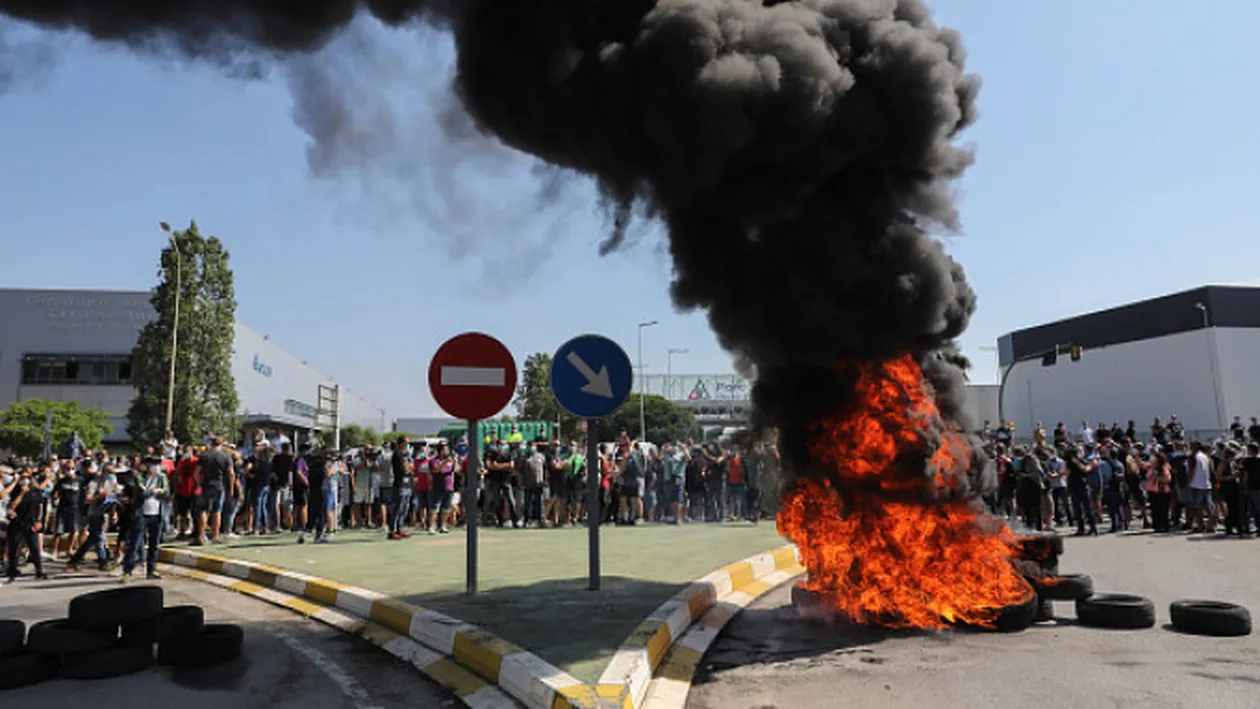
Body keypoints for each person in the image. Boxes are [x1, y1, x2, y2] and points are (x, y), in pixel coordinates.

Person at [121, 456, 169, 582]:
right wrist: (154, 491)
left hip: (157, 513)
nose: (156, 466)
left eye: (157, 464)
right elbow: (142, 492)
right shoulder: (140, 477)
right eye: (153, 464)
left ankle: (151, 570)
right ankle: (127, 570)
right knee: (134, 542)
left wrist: (156, 492)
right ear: (147, 465)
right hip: (141, 514)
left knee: (154, 543)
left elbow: (166, 492)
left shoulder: (161, 477)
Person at [5, 472, 47, 583]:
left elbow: (40, 507)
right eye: (22, 477)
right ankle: (12, 570)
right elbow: (12, 506)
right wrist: (22, 493)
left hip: (31, 523)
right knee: (14, 548)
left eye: (27, 477)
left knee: (35, 548)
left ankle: (39, 570)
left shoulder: (36, 491)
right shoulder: (15, 491)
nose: (25, 480)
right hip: (17, 522)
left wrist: (39, 521)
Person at [195, 436, 233, 546]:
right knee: (217, 511)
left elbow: (196, 472)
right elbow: (231, 473)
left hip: (206, 484)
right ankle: (215, 536)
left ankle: (201, 536)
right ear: (221, 444)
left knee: (203, 510)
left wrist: (199, 483)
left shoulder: (204, 455)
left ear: (211, 443)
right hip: (219, 485)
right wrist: (230, 488)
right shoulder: (226, 456)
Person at [389, 437, 414, 540]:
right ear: (401, 443)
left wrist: (409, 466)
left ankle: (400, 528)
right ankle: (392, 530)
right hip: (400, 484)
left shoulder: (406, 455)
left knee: (405, 508)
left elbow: (412, 467)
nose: (408, 445)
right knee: (398, 508)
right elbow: (404, 468)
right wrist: (408, 466)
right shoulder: (398, 454)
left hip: (407, 485)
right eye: (406, 443)